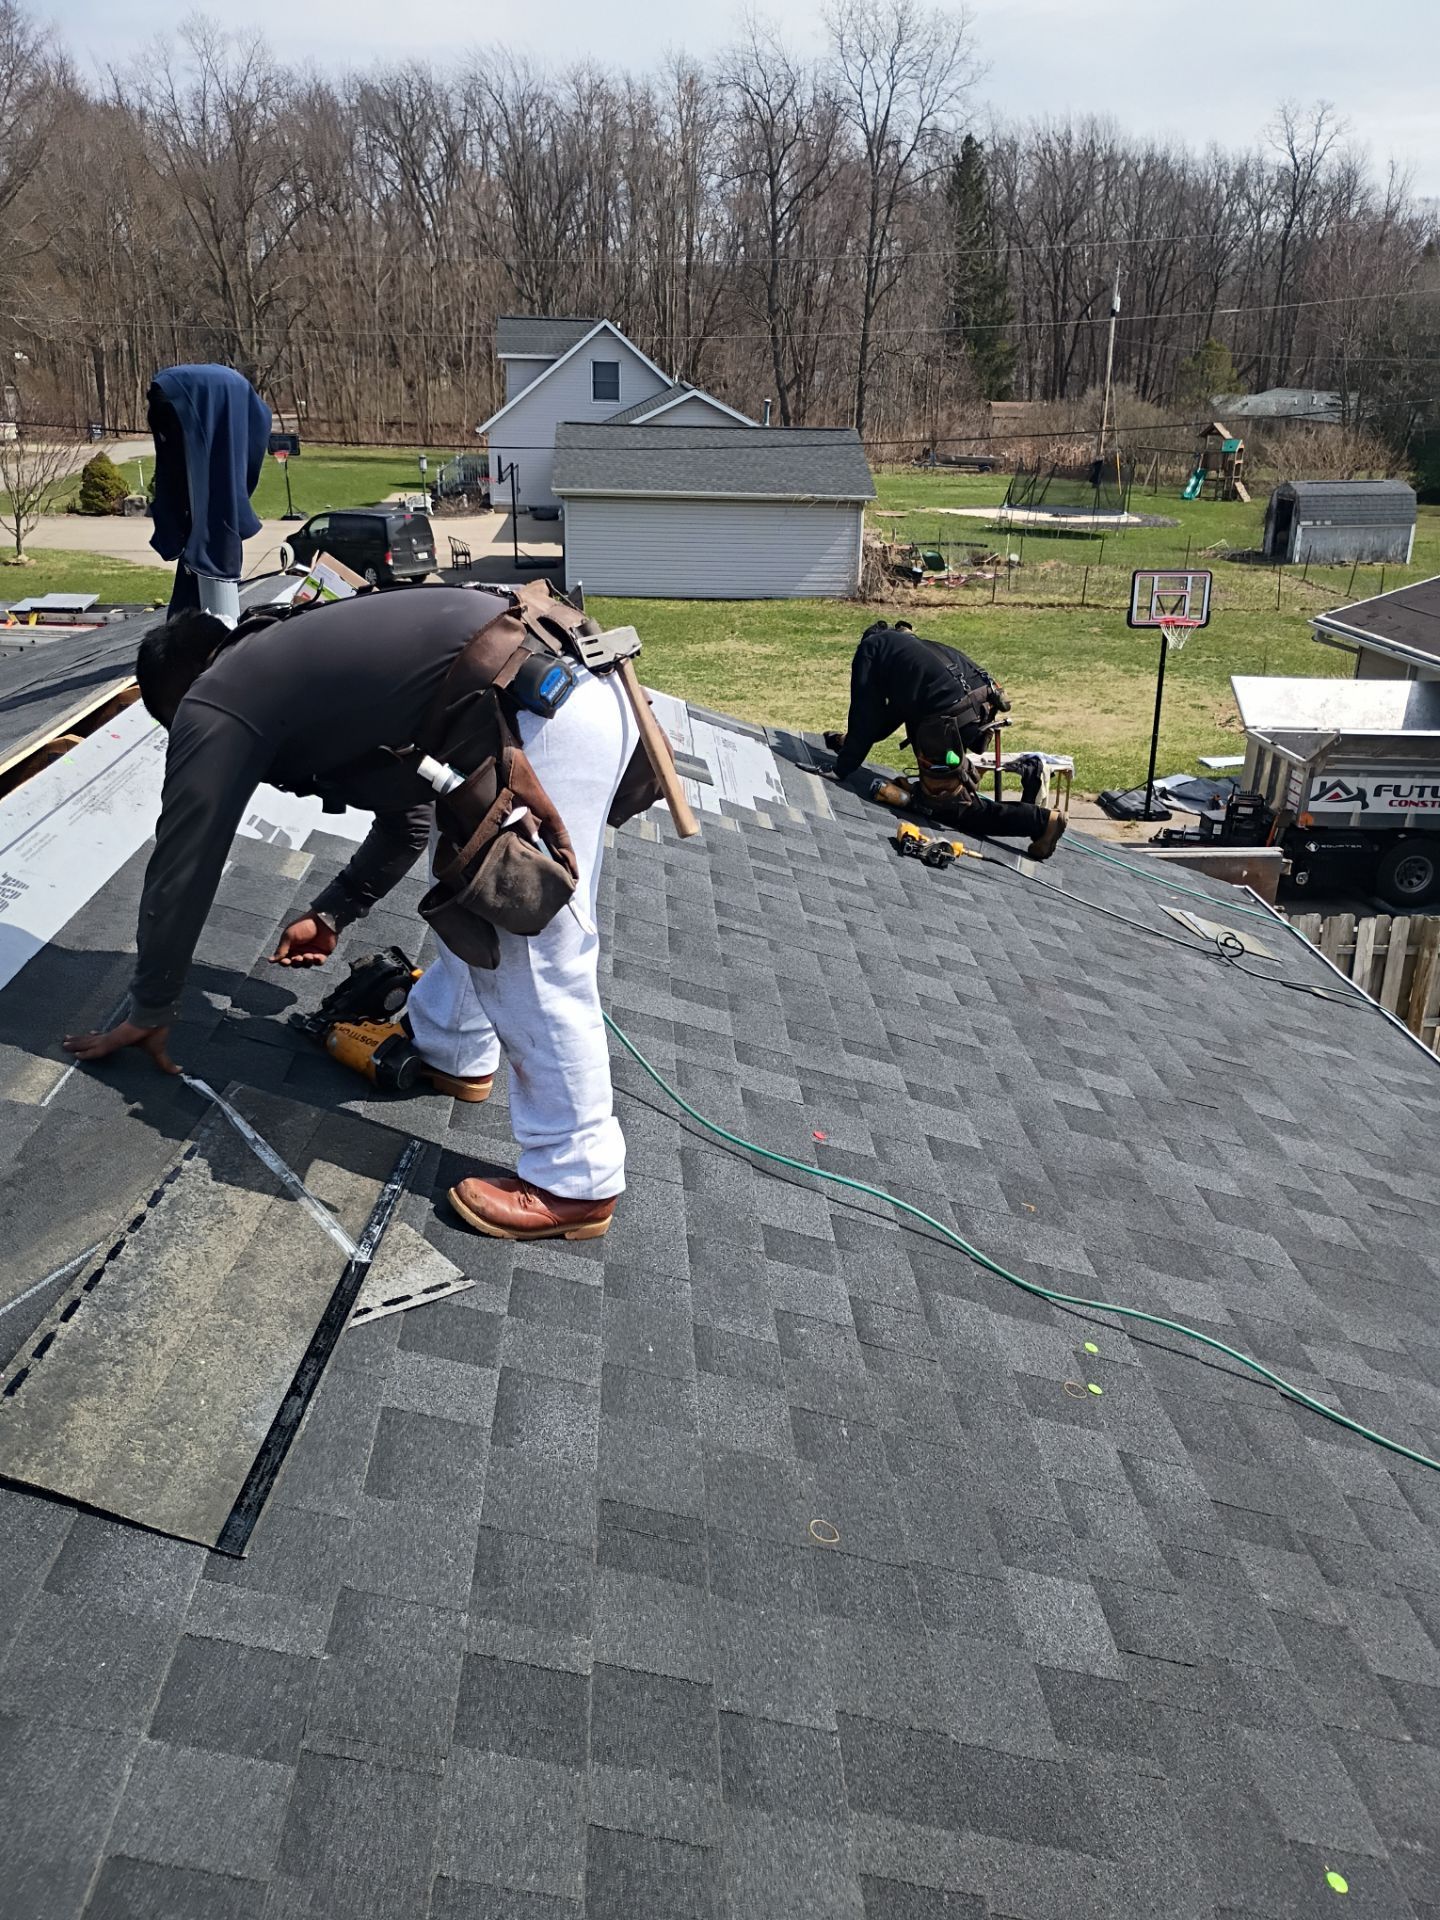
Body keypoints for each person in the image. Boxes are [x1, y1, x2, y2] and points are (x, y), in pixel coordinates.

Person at [61, 585, 645, 1243]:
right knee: (469, 876)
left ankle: (576, 1180)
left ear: (180, 694)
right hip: (545, 701)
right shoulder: (293, 663)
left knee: (532, 949)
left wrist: (150, 1006)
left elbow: (185, 861)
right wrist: (334, 912)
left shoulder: (217, 693)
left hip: (543, 716)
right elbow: (412, 813)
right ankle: (453, 1049)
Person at [824, 620, 1065, 860]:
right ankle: (953, 782)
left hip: (946, 715)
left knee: (952, 809)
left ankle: (1041, 822)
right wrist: (848, 742)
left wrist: (842, 767)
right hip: (979, 703)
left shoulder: (870, 649)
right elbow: (890, 716)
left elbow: (865, 713)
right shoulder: (908, 652)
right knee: (943, 781)